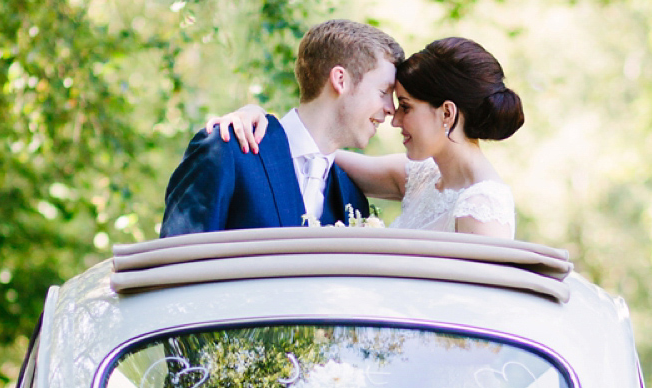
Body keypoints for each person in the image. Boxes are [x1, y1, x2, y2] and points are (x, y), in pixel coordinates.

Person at [209, 35, 523, 237]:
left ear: (447, 114)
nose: (394, 118)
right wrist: (259, 119)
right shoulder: (419, 177)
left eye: (406, 107)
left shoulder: (483, 209)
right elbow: (315, 150)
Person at [160, 19, 402, 237]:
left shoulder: (351, 197)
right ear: (341, 80)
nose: (391, 109)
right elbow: (176, 266)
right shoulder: (227, 150)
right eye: (383, 92)